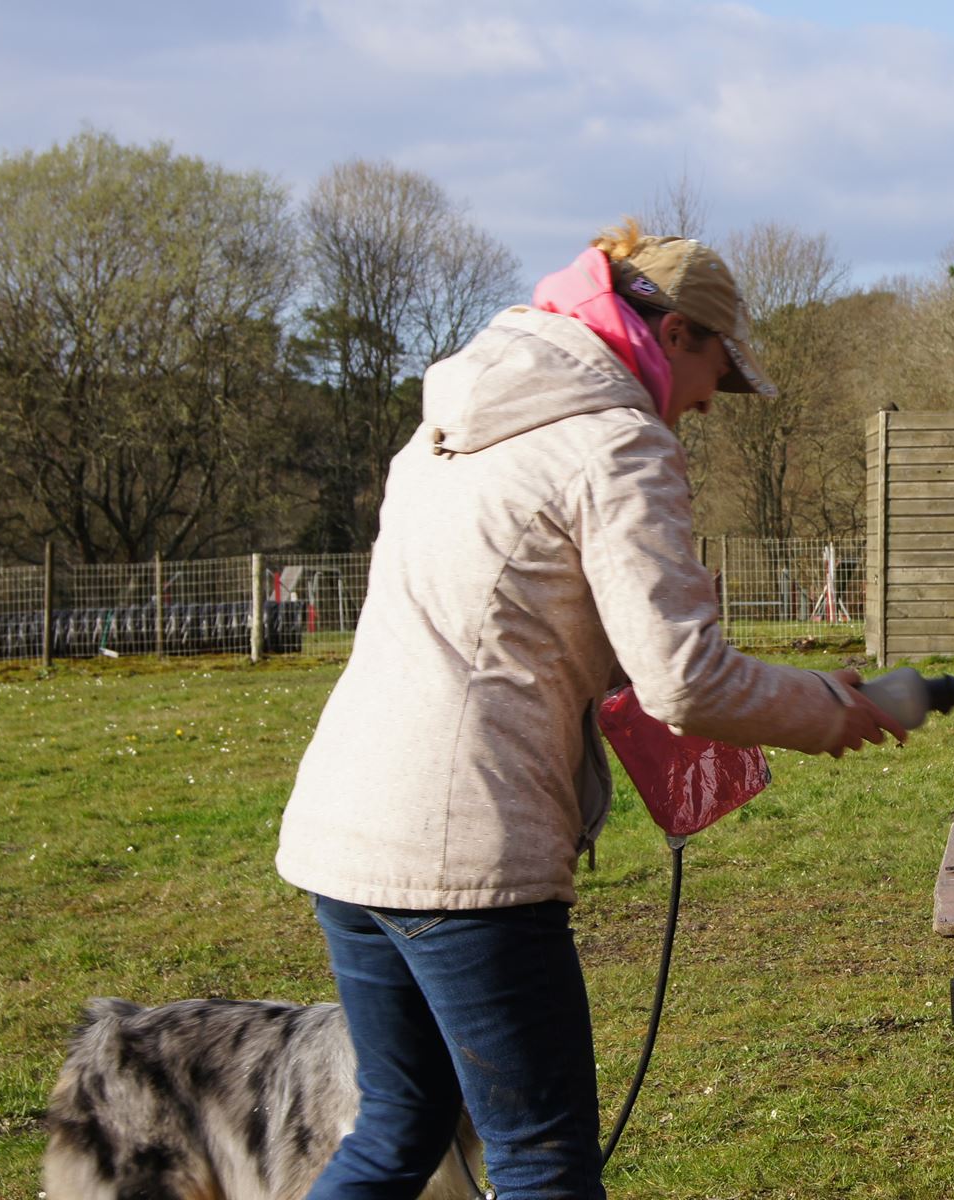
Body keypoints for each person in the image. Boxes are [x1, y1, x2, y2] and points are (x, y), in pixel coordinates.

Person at [274, 221, 906, 1199]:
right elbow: (682, 679)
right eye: (718, 374)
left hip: (346, 828)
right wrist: (831, 709)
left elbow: (529, 625)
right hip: (463, 849)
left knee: (396, 1129)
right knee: (540, 1159)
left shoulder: (445, 430)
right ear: (678, 334)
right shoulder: (616, 443)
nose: (706, 404)